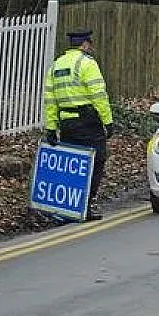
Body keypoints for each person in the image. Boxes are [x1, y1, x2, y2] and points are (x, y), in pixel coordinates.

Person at [43, 28, 114, 221]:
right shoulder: (87, 63)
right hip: (88, 122)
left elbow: (50, 100)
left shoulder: (56, 66)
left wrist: (51, 127)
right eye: (89, 44)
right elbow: (98, 95)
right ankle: (85, 206)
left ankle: (67, 208)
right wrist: (108, 122)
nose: (90, 48)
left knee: (72, 166)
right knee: (96, 162)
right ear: (85, 44)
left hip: (67, 124)